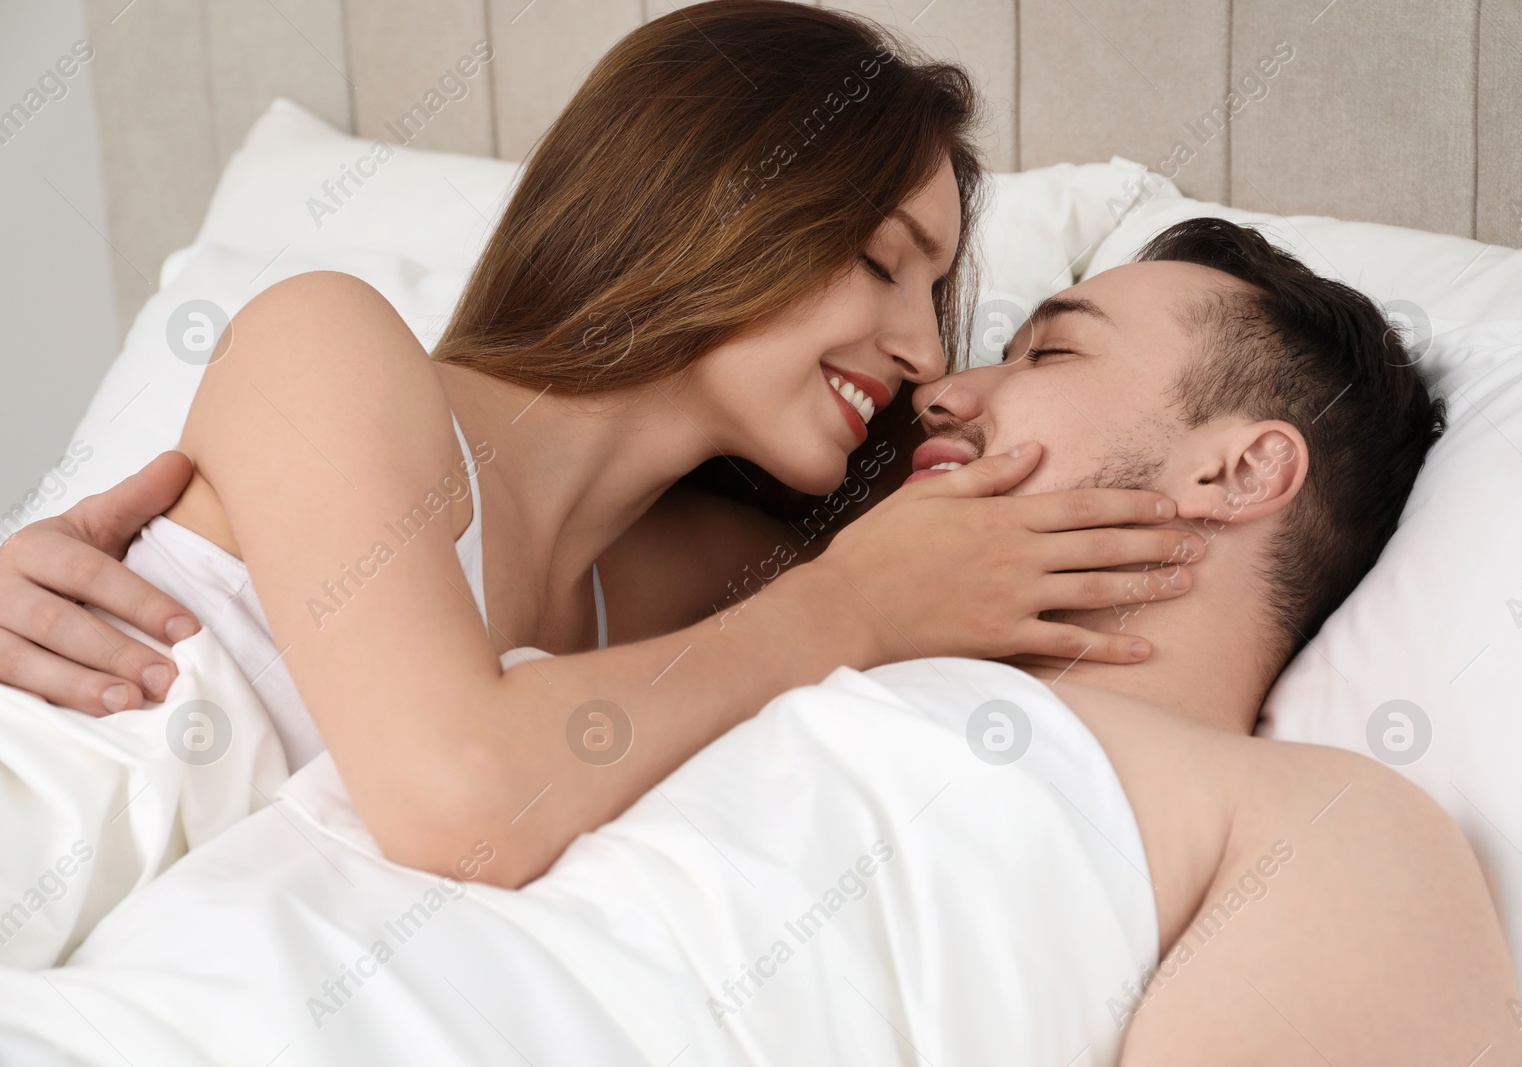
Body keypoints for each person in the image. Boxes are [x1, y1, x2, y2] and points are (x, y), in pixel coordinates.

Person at [0, 219, 1522, 1063]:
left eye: (1048, 350)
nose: (944, 387)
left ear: (1239, 470)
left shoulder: (1313, 820)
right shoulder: (723, 651)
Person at [0, 2, 1199, 889]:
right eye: (883, 260)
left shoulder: (709, 578)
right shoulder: (332, 345)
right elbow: (458, 799)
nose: (923, 353)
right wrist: (852, 606)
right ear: (711, 201)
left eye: (933, 294)